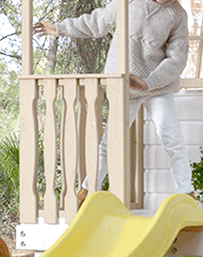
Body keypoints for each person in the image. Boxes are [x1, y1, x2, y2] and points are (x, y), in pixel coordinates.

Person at [34, 0, 193, 201]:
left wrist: (148, 81)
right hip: (124, 85)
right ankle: (88, 190)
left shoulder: (177, 14)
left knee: (173, 140)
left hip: (156, 87)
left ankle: (187, 193)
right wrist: (59, 28)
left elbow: (177, 58)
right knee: (110, 142)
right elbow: (96, 22)